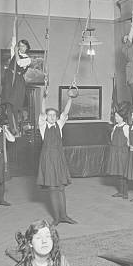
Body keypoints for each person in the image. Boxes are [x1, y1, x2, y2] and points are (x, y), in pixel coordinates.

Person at [37, 90, 77, 225]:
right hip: (48, 159)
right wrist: (44, 97)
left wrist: (70, 98)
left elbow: (65, 113)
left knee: (61, 188)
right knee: (53, 189)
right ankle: (57, 218)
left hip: (59, 159)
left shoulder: (59, 125)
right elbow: (42, 113)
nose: (53, 117)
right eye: (50, 115)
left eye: (54, 115)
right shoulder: (43, 126)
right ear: (46, 117)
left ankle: (64, 216)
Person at [2, 39, 32, 135]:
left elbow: (19, 63)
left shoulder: (27, 59)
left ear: (27, 47)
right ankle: (13, 128)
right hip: (9, 80)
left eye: (23, 46)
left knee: (14, 105)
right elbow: (13, 45)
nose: (21, 47)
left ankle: (16, 129)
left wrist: (16, 51)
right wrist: (14, 24)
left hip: (17, 82)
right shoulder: (15, 53)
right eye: (20, 45)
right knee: (8, 104)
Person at [105, 103, 130, 199]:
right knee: (118, 172)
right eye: (115, 116)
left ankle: (125, 192)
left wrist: (123, 149)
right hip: (115, 152)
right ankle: (120, 191)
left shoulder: (126, 127)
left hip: (122, 153)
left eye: (116, 116)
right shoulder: (115, 127)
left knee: (123, 173)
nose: (115, 118)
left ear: (121, 117)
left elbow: (129, 141)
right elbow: (112, 139)